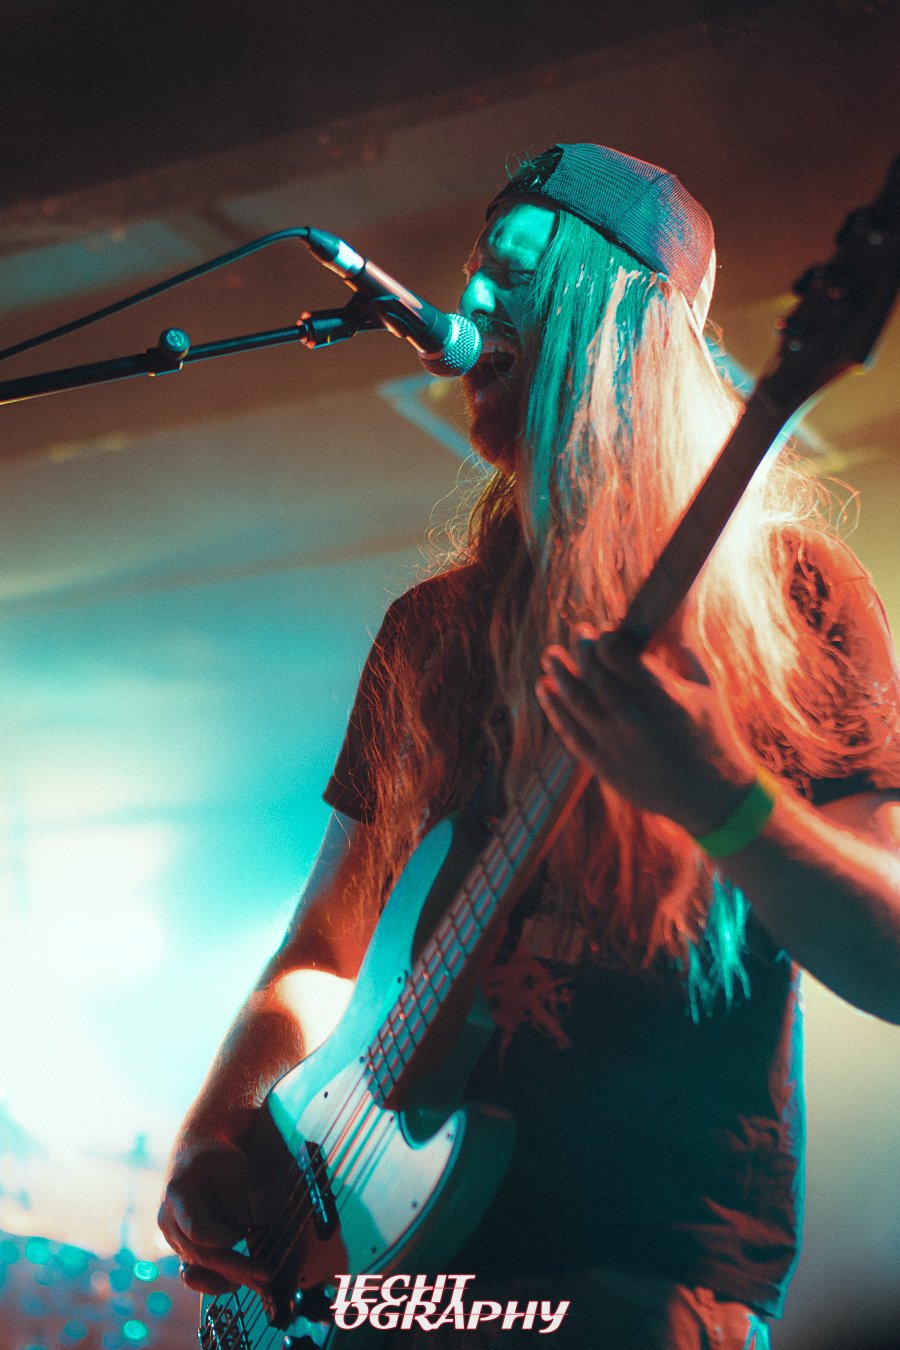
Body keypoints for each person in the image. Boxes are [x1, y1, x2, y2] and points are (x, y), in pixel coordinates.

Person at [158, 144, 900, 1349]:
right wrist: (217, 1128)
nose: (470, 300)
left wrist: (720, 795)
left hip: (632, 1283)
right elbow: (323, 952)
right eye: (473, 271)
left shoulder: (795, 599)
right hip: (379, 1281)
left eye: (514, 270)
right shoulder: (431, 631)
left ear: (625, 324)